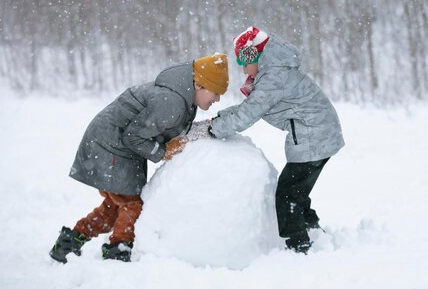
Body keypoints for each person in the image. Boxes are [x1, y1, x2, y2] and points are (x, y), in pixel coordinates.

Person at [49, 53, 229, 263]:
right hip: (111, 145)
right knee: (132, 205)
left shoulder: (183, 98)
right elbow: (133, 137)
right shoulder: (172, 101)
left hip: (116, 145)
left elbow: (167, 129)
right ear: (198, 85)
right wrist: (163, 152)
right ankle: (118, 251)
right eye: (215, 93)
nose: (217, 99)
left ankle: (69, 242)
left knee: (116, 205)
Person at [209, 27, 344, 254]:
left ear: (255, 55)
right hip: (319, 135)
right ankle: (311, 230)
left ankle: (298, 245)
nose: (243, 69)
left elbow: (248, 114)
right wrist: (220, 118)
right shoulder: (275, 73)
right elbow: (251, 108)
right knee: (297, 190)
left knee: (287, 193)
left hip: (314, 137)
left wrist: (213, 129)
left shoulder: (273, 77)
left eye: (244, 61)